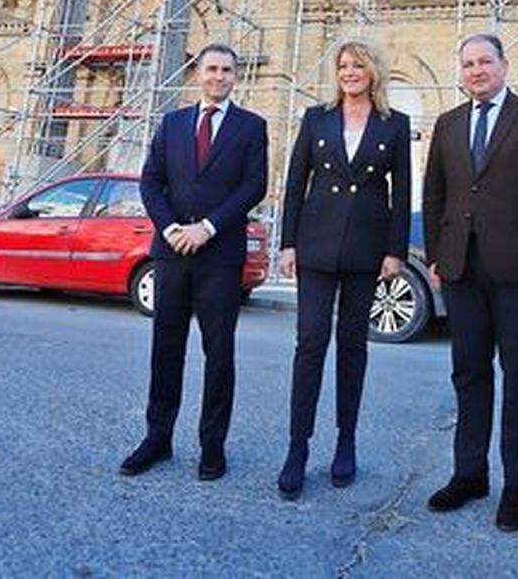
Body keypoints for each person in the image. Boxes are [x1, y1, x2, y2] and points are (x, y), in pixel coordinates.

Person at [421, 33, 518, 532]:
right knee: (468, 373)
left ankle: (516, 484)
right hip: (462, 270)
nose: (476, 70)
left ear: (504, 66)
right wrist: (439, 257)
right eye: (468, 64)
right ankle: (469, 474)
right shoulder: (447, 124)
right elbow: (435, 193)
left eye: (485, 61)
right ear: (460, 72)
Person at [120, 43, 268, 482]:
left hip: (218, 256)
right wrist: (169, 228)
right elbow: (151, 181)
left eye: (226, 70)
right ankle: (157, 438)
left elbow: (253, 186)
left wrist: (208, 227)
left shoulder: (251, 127)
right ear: (197, 74)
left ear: (235, 77)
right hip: (171, 254)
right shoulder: (173, 123)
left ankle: (212, 447)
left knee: (218, 352)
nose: (218, 76)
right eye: (211, 69)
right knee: (166, 350)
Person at [275, 40, 411, 500]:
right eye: (343, 66)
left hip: (366, 250)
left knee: (353, 346)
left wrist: (395, 251)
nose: (350, 72)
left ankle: (345, 443)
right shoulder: (316, 119)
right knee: (310, 342)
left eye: (358, 65)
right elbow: (296, 184)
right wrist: (287, 243)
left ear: (374, 72)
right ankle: (298, 448)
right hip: (315, 245)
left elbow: (402, 195)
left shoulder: (395, 125)